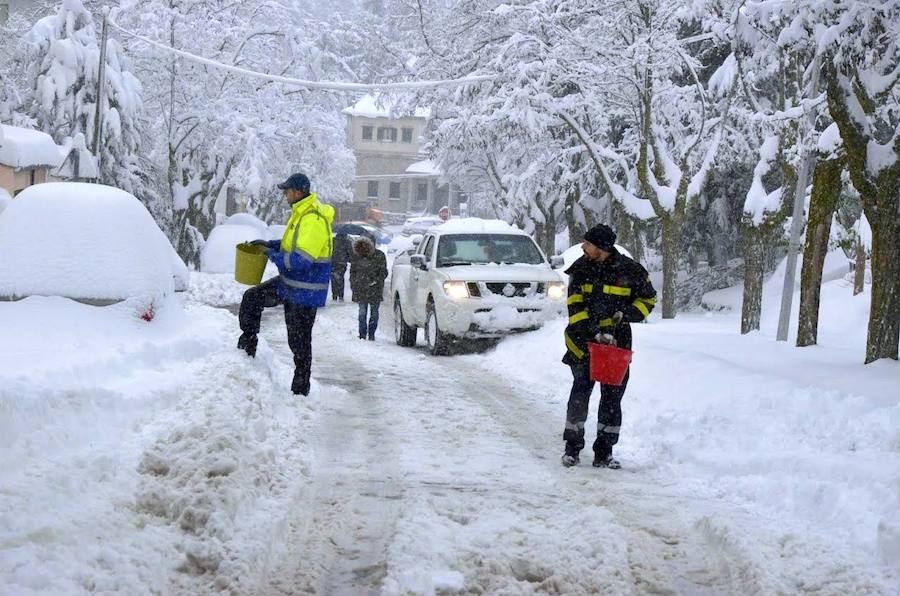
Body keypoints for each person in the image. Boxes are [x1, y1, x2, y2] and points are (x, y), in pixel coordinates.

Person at [561, 224, 656, 469]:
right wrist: (594, 333)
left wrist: (626, 314)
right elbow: (575, 309)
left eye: (588, 244)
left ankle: (604, 453)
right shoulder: (580, 270)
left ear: (601, 248)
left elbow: (648, 298)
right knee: (580, 395)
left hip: (617, 346)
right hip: (583, 344)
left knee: (612, 400)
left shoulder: (630, 271)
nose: (583, 247)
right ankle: (572, 449)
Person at [237, 173, 334, 396]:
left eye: (286, 191)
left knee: (299, 343)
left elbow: (300, 260)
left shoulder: (312, 220)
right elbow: (292, 244)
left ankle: (301, 390)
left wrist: (271, 254)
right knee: (252, 298)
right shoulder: (301, 214)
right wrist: (270, 243)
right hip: (290, 285)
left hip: (305, 292)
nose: (284, 194)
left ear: (297, 192)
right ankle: (246, 349)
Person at [349, 236, 388, 340]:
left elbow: (384, 272)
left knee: (374, 314)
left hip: (375, 290)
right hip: (361, 289)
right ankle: (362, 334)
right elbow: (353, 272)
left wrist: (375, 280)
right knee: (362, 313)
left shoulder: (379, 256)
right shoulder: (357, 256)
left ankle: (371, 334)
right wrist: (354, 284)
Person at [331, 231, 352, 301]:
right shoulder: (347, 242)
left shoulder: (333, 240)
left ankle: (334, 295)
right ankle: (340, 295)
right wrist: (349, 260)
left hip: (333, 262)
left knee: (333, 278)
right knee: (340, 278)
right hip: (342, 263)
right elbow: (350, 253)